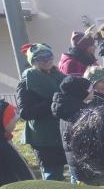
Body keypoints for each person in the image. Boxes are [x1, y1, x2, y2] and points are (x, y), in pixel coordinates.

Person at [16, 43, 67, 181]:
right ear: (33, 61)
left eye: (49, 56)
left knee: (74, 171)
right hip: (43, 139)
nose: (47, 60)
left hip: (62, 132)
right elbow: (25, 113)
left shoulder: (60, 77)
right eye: (41, 57)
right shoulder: (26, 82)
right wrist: (52, 103)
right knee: (53, 177)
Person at [51, 76, 101, 184]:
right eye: (90, 89)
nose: (93, 90)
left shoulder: (67, 109)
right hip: (86, 167)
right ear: (81, 93)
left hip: (75, 163)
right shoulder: (79, 115)